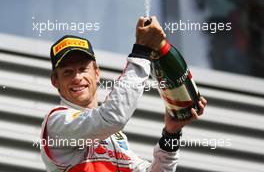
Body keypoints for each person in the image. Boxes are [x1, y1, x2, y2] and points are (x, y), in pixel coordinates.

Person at [40, 16, 207, 172]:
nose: (77, 77)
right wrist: (141, 52)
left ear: (97, 73)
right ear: (55, 81)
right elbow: (112, 117)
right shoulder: (56, 122)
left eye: (83, 69)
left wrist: (171, 133)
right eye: (68, 72)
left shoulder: (116, 138)